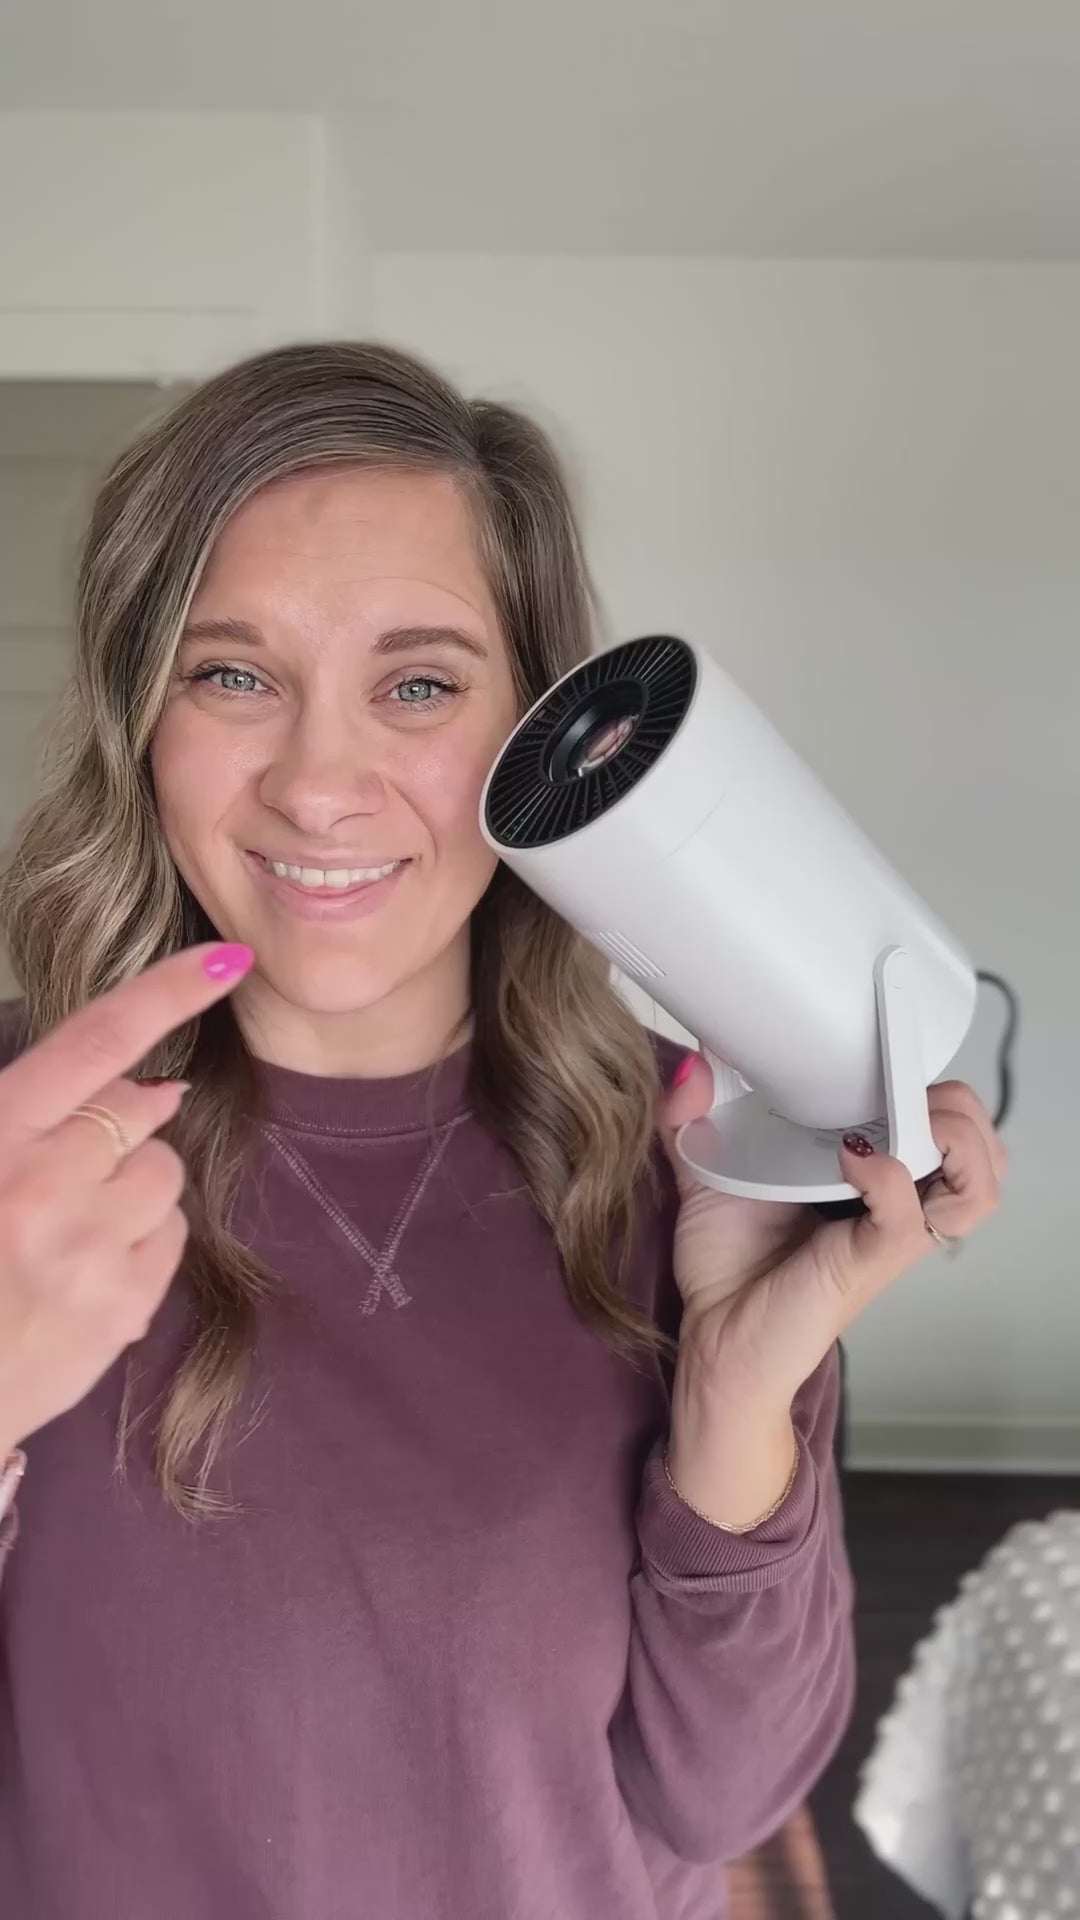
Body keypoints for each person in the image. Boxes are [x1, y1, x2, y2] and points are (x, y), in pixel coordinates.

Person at [0, 343, 1005, 1920]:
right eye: (232, 675)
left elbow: (727, 1796)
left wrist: (737, 1394)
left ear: (536, 730)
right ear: (142, 714)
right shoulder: (20, 1144)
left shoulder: (692, 1156)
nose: (320, 786)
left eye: (419, 684)